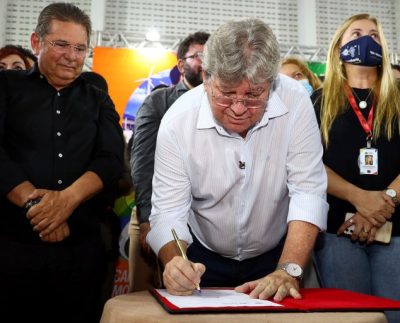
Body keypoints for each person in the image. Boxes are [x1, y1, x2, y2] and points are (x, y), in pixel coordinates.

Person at [147, 18, 328, 301]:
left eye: (255, 95)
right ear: (206, 77)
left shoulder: (296, 103)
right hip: (202, 258)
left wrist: (288, 269)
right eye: (227, 94)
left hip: (276, 256)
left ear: (272, 82)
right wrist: (175, 263)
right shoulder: (177, 121)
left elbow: (308, 190)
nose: (240, 108)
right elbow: (168, 212)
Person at [0, 3, 124, 323]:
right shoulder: (6, 87)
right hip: (13, 247)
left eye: (80, 47)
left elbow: (111, 160)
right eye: (62, 44)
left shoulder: (97, 96)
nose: (72, 55)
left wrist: (66, 201)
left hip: (81, 251)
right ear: (37, 42)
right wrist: (38, 207)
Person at [311, 13, 400, 323]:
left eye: (374, 35)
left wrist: (382, 201)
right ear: (339, 48)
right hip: (338, 230)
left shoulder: (399, 98)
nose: (366, 40)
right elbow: (307, 165)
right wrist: (359, 198)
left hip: (394, 229)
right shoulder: (319, 101)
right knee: (352, 317)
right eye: (357, 33)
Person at [129, 31, 210, 291]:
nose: (205, 62)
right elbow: (142, 162)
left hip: (201, 224)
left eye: (210, 56)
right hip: (154, 214)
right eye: (198, 56)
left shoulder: (226, 105)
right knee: (144, 299)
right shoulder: (159, 101)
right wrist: (147, 220)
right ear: (180, 65)